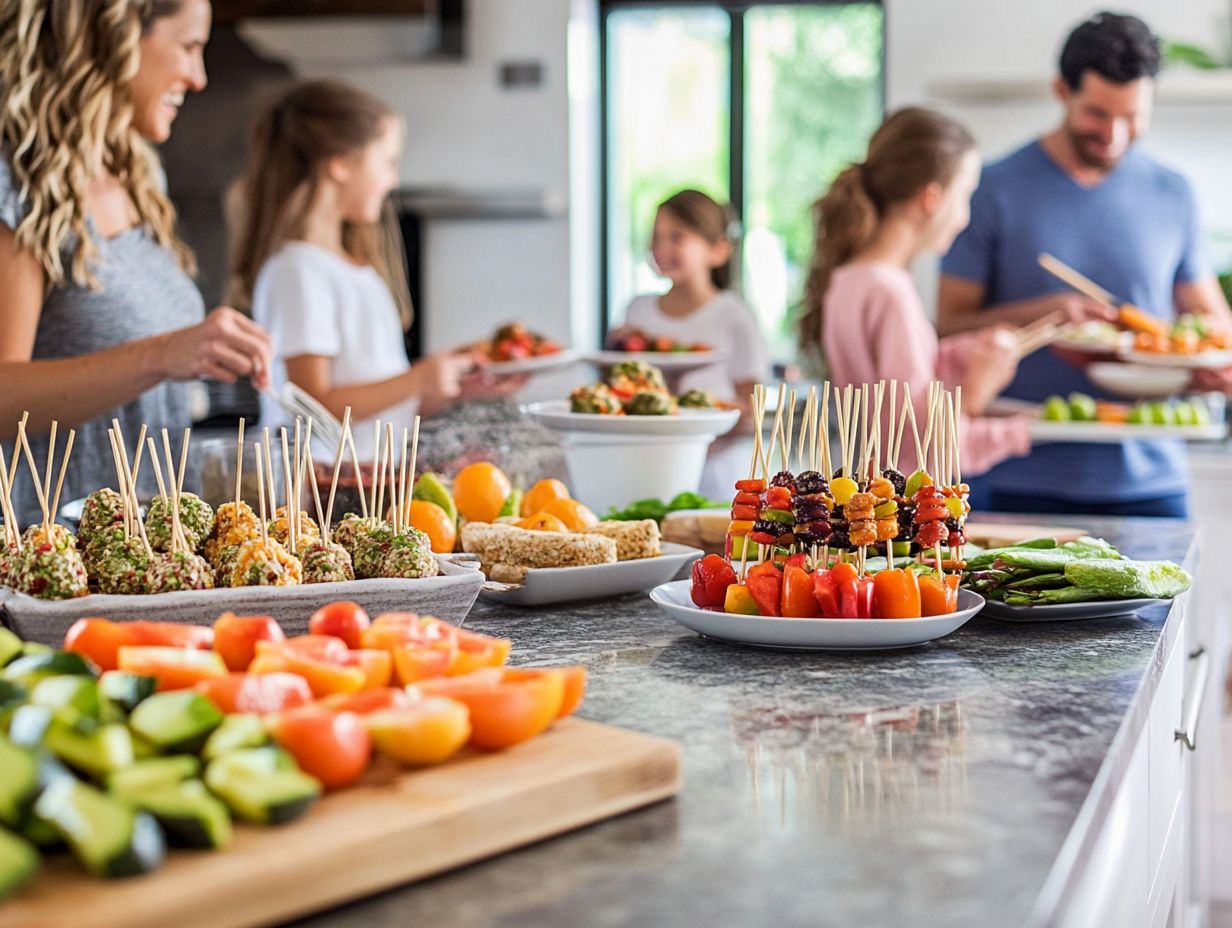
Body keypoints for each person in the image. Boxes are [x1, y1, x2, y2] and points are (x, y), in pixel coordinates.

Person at [938, 12, 1232, 517]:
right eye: (1098, 114)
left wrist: (1207, 367)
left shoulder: (1172, 193)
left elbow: (1213, 326)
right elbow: (947, 328)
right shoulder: (992, 188)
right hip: (1015, 478)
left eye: (1133, 116)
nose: (1114, 135)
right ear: (1061, 90)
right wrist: (1047, 312)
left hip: (1149, 481)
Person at [0, 0, 272, 524]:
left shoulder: (138, 174)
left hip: (157, 553)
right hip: (64, 561)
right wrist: (162, 354)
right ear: (118, 38)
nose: (198, 78)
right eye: (189, 47)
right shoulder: (18, 183)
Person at [231, 80, 524, 459]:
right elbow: (312, 405)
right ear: (340, 164)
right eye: (387, 161)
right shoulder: (298, 270)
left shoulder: (352, 269)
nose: (393, 179)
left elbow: (378, 415)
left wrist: (455, 385)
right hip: (319, 492)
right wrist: (419, 376)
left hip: (366, 483)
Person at [799, 107, 1030, 476]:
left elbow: (888, 402)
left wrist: (963, 355)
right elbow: (930, 447)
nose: (965, 217)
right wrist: (982, 397)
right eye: (965, 196)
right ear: (931, 199)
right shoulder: (890, 293)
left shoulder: (851, 280)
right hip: (906, 511)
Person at [613, 189, 769, 423]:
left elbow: (751, 406)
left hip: (718, 455)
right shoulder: (638, 309)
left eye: (677, 238)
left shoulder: (733, 315)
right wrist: (615, 348)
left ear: (718, 250)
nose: (661, 248)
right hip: (649, 449)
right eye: (656, 237)